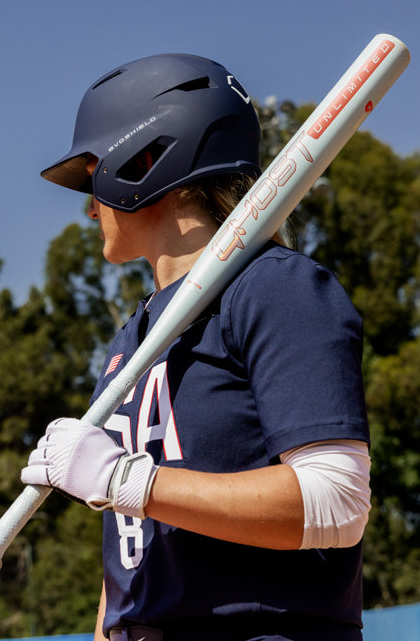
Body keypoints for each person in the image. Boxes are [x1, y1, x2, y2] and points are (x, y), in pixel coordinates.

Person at [21, 53, 372, 641]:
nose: (89, 207)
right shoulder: (129, 341)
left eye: (93, 180)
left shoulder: (275, 290)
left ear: (144, 161)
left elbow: (335, 504)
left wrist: (129, 482)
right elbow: (132, 562)